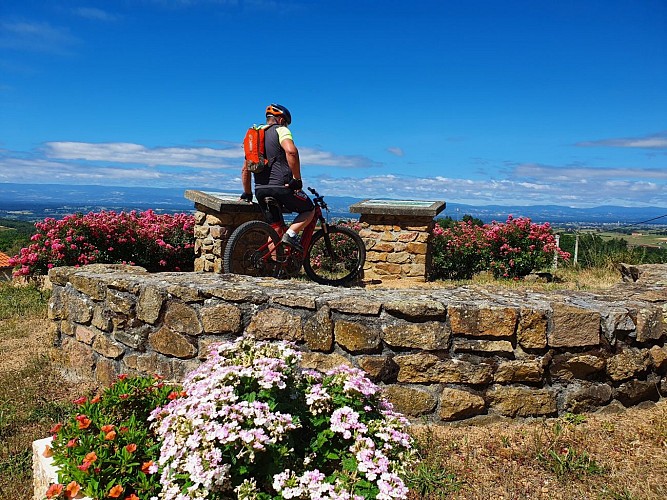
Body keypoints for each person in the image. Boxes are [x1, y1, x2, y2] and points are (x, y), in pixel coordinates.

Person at [240, 103, 315, 253]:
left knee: (275, 229)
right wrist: (297, 180)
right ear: (281, 120)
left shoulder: (255, 137)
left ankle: (274, 271)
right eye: (286, 122)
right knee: (309, 209)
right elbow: (291, 151)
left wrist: (247, 193)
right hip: (282, 187)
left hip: (260, 190)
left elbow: (245, 169)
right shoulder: (282, 130)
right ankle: (291, 235)